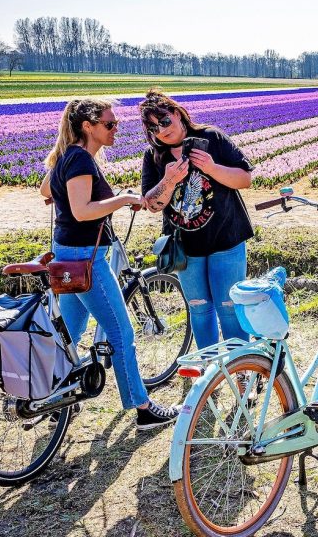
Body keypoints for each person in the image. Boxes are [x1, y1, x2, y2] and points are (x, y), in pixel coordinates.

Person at [40, 98, 178, 430]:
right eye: (109, 124)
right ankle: (142, 408)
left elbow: (45, 189)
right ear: (88, 126)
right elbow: (82, 211)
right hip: (86, 259)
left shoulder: (67, 155)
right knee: (120, 332)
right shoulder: (79, 159)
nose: (116, 128)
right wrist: (125, 199)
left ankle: (56, 399)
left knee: (70, 333)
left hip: (66, 254)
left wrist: (69, 193)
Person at [139, 89, 254, 350]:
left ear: (178, 114)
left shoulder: (211, 137)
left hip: (226, 240)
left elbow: (245, 179)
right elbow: (152, 205)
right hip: (186, 249)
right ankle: (209, 367)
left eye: (164, 121)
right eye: (153, 128)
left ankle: (240, 367)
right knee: (199, 310)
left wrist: (212, 168)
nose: (161, 131)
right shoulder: (154, 156)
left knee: (229, 308)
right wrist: (169, 181)